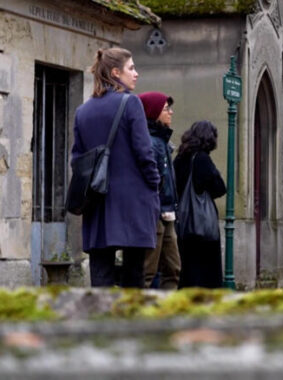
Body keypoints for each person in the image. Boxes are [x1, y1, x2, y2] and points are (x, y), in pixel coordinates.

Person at [71, 48, 160, 287]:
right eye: (131, 68)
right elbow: (144, 152)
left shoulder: (82, 112)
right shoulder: (131, 103)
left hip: (96, 200)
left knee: (101, 273)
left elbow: (76, 160)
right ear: (115, 72)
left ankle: (100, 320)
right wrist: (155, 183)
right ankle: (130, 322)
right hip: (133, 199)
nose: (136, 73)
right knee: (134, 274)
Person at [173, 120, 227, 288]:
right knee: (204, 273)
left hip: (182, 223)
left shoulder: (180, 158)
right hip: (201, 226)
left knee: (186, 269)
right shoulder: (202, 159)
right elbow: (219, 188)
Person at [138, 92, 181, 289]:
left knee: (173, 267)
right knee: (148, 270)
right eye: (166, 109)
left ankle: (166, 311)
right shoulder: (151, 142)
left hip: (167, 211)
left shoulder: (162, 141)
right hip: (155, 212)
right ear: (154, 113)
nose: (171, 113)